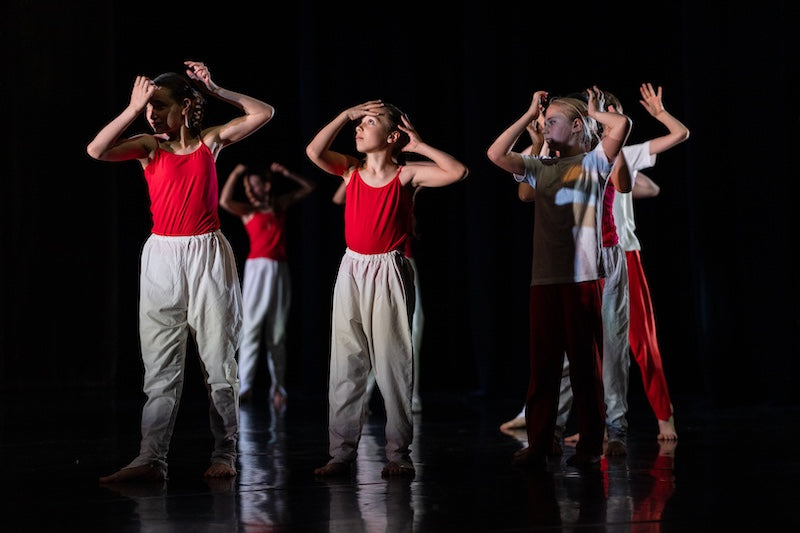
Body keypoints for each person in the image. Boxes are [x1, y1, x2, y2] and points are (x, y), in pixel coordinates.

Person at [87, 60, 275, 482]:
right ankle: (151, 458)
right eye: (147, 107)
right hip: (162, 258)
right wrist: (132, 109)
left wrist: (215, 89)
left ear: (186, 106)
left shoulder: (209, 142)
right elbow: (96, 150)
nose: (151, 114)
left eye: (159, 105)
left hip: (207, 256)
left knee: (219, 364)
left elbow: (263, 113)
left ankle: (225, 453)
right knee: (160, 367)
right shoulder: (149, 148)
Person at [501, 83, 689, 445]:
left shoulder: (608, 155)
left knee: (625, 344)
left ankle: (623, 424)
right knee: (572, 349)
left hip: (614, 254)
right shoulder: (561, 157)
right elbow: (523, 186)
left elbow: (628, 183)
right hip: (574, 260)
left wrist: (619, 123)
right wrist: (539, 136)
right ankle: (558, 425)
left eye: (604, 112)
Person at [306, 100, 467, 478]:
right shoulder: (350, 171)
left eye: (369, 122)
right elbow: (314, 151)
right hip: (352, 268)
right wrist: (344, 115)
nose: (359, 128)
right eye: (358, 123)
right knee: (346, 362)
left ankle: (398, 452)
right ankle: (341, 452)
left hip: (389, 269)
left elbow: (458, 171)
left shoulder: (406, 175)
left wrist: (419, 145)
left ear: (393, 136)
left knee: (393, 362)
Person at [487, 87, 632, 469]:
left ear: (577, 126)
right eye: (544, 120)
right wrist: (529, 114)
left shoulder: (595, 163)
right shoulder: (539, 167)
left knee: (586, 368)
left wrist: (595, 114)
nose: (544, 125)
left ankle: (590, 445)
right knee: (544, 366)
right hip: (544, 280)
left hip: (583, 280)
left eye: (552, 120)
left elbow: (622, 124)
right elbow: (496, 154)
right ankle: (541, 442)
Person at [220, 161, 316, 410]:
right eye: (247, 187)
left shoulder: (279, 205)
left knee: (277, 332)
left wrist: (287, 172)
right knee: (251, 329)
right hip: (257, 270)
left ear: (266, 186)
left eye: (254, 185)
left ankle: (278, 386)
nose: (250, 191)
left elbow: (309, 187)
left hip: (279, 269)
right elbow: (224, 201)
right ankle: (245, 386)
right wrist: (236, 173)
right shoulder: (248, 210)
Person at [332, 181, 425, 414]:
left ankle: (409, 395)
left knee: (411, 330)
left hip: (402, 260)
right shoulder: (365, 179)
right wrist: (354, 171)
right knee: (374, 333)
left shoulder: (404, 178)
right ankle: (363, 395)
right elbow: (338, 198)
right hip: (377, 263)